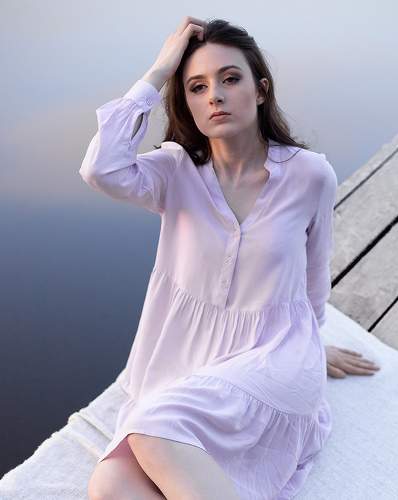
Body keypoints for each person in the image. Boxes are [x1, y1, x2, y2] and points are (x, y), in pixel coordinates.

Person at [82, 16, 380, 500]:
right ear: (187, 103)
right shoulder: (174, 171)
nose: (215, 96)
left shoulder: (310, 176)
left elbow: (314, 272)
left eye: (230, 79)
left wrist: (309, 346)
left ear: (260, 90)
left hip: (271, 358)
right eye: (197, 87)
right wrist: (159, 69)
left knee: (154, 430)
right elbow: (101, 169)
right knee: (109, 486)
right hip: (183, 355)